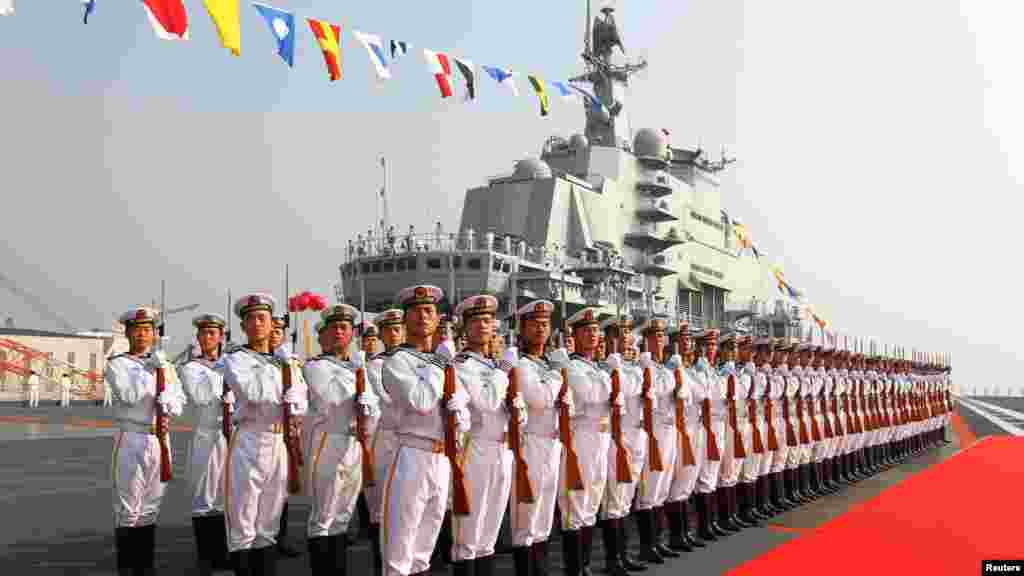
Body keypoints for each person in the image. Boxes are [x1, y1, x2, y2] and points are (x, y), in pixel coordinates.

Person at [380, 284, 471, 576]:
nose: (422, 316)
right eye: (415, 311)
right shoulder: (397, 361)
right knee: (399, 553)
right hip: (412, 455)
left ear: (437, 318)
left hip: (442, 458)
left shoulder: (443, 363)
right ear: (405, 319)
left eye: (429, 311)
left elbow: (460, 416)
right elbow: (420, 400)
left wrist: (461, 411)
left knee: (423, 554)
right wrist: (440, 362)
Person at [223, 294, 309, 575]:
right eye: (250, 319)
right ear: (243, 326)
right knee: (244, 523)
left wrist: (288, 373)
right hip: (250, 438)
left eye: (263, 318)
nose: (257, 323)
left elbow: (301, 404)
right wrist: (283, 373)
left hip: (279, 441)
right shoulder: (235, 359)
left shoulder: (286, 362)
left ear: (273, 323)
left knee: (268, 525)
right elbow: (254, 394)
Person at [105, 306, 187, 575]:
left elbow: (178, 399)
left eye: (148, 330)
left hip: (159, 439)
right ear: (128, 333)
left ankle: (144, 567)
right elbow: (129, 395)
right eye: (137, 329)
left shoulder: (165, 365)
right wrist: (148, 372)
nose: (142, 334)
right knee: (129, 509)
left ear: (154, 334)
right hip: (132, 436)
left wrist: (170, 402)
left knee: (150, 508)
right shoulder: (118, 364)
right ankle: (127, 568)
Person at [450, 293, 525, 576]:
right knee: (469, 534)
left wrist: (518, 407)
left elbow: (510, 409)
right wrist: (504, 370)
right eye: (477, 320)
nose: (484, 325)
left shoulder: (494, 366)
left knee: (489, 535)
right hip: (475, 449)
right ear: (464, 328)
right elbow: (486, 402)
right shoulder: (461, 365)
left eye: (489, 320)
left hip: (501, 450)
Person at [303, 304, 381, 575]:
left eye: (344, 328)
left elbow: (374, 410)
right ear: (321, 336)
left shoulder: (358, 367)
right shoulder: (316, 366)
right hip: (328, 440)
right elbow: (332, 396)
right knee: (323, 517)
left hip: (353, 444)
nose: (338, 332)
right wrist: (359, 383)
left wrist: (367, 396)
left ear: (352, 334)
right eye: (333, 328)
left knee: (343, 517)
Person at [509, 299, 571, 576]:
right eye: (533, 324)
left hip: (553, 442)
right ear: (522, 329)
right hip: (530, 443)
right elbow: (540, 398)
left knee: (545, 514)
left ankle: (541, 569)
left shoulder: (547, 364)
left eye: (545, 324)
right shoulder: (521, 365)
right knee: (527, 515)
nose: (540, 328)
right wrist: (558, 373)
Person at [559, 307, 616, 576]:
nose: (592, 335)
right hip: (582, 436)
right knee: (577, 504)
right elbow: (593, 394)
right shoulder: (572, 366)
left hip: (602, 436)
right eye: (586, 331)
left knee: (593, 502)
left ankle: (585, 565)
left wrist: (607, 381)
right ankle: (575, 568)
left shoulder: (596, 366)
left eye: (596, 330)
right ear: (576, 335)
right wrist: (610, 382)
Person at [178, 313, 231, 575]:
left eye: (213, 333)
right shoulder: (191, 368)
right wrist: (224, 375)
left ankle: (222, 554)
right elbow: (202, 396)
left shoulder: (231, 362)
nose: (208, 338)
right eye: (204, 333)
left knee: (225, 495)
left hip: (230, 435)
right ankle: (206, 556)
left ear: (221, 336)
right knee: (204, 497)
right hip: (205, 435)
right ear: (198, 337)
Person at [365, 309, 405, 576]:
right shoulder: (377, 364)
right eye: (389, 330)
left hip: (410, 439)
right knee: (380, 504)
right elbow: (390, 398)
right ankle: (380, 560)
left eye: (398, 329)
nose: (394, 334)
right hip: (387, 435)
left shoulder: (417, 360)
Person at [270, 315, 305, 559]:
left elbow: (302, 394)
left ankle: (279, 538)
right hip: (261, 434)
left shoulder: (293, 363)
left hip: (286, 434)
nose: (274, 335)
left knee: (282, 489)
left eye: (279, 331)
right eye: (272, 330)